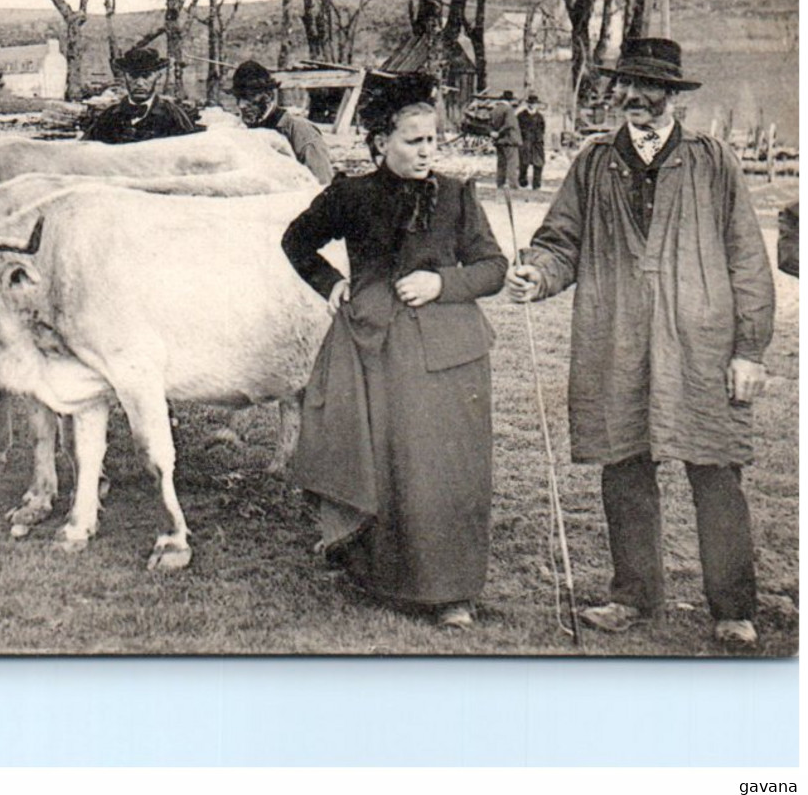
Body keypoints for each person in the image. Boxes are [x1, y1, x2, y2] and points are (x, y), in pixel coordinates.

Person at [506, 37, 775, 648]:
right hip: (615, 337)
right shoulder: (595, 161)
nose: (634, 99)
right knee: (624, 465)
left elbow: (749, 261)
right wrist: (538, 274)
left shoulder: (713, 161)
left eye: (649, 89)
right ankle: (634, 595)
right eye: (624, 87)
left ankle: (734, 607)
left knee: (715, 471)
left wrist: (749, 350)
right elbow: (559, 241)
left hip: (700, 344)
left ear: (673, 96)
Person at [282, 73, 507, 630]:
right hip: (374, 347)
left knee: (446, 469)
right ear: (380, 142)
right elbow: (296, 240)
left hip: (448, 356)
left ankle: (452, 590)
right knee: (382, 462)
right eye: (413, 140)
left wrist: (442, 285)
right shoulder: (351, 195)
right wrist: (331, 283)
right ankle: (376, 573)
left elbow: (493, 269)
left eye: (432, 140)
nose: (427, 151)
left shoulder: (457, 196)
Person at [229, 60, 335, 184]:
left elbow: (322, 183)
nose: (241, 105)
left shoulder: (300, 132)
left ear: (268, 96)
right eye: (238, 98)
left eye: (249, 97)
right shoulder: (241, 132)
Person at [82, 47, 197, 144]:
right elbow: (87, 152)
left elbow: (188, 155)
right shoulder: (109, 117)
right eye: (133, 75)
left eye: (146, 76)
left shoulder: (173, 115)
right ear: (125, 77)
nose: (139, 83)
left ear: (158, 76)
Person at [490, 89, 522, 189]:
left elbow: (490, 123)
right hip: (509, 140)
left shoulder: (495, 109)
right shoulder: (509, 110)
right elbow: (509, 124)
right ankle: (513, 184)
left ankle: (500, 183)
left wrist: (495, 134)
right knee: (512, 163)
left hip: (499, 141)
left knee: (501, 163)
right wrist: (500, 132)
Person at [517, 94, 546, 190]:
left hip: (537, 143)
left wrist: (539, 138)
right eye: (531, 103)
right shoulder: (521, 116)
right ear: (527, 104)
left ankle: (536, 184)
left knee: (538, 163)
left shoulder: (539, 117)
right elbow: (518, 129)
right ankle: (522, 182)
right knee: (523, 163)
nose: (532, 105)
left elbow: (542, 129)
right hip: (525, 141)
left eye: (534, 104)